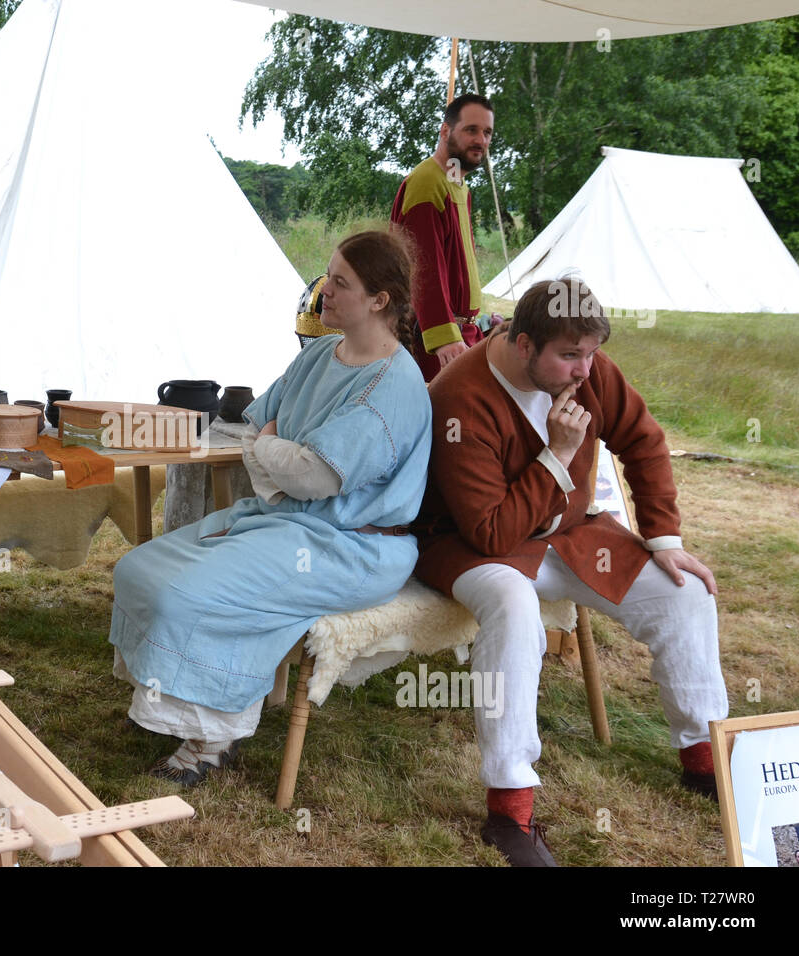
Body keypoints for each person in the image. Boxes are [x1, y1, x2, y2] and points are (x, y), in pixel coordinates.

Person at [414, 277, 727, 866]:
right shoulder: (459, 396)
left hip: (570, 537)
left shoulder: (588, 367)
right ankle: (510, 807)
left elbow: (644, 439)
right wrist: (556, 455)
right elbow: (490, 532)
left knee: (684, 594)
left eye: (591, 354)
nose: (586, 370)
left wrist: (663, 537)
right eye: (570, 356)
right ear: (522, 341)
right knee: (513, 605)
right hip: (474, 550)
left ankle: (705, 760)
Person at [110, 231, 432, 783]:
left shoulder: (394, 386)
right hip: (283, 519)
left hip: (353, 547)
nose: (323, 291)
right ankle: (180, 699)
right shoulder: (317, 358)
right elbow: (257, 428)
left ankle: (209, 740)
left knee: (189, 594)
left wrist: (277, 458)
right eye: (327, 276)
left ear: (380, 300)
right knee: (138, 568)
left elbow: (316, 474)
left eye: (339, 282)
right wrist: (282, 465)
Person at [390, 93, 494, 383]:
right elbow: (423, 269)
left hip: (461, 333)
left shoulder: (458, 184)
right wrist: (444, 337)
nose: (481, 140)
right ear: (445, 131)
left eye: (487, 133)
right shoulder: (427, 183)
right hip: (429, 340)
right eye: (471, 130)